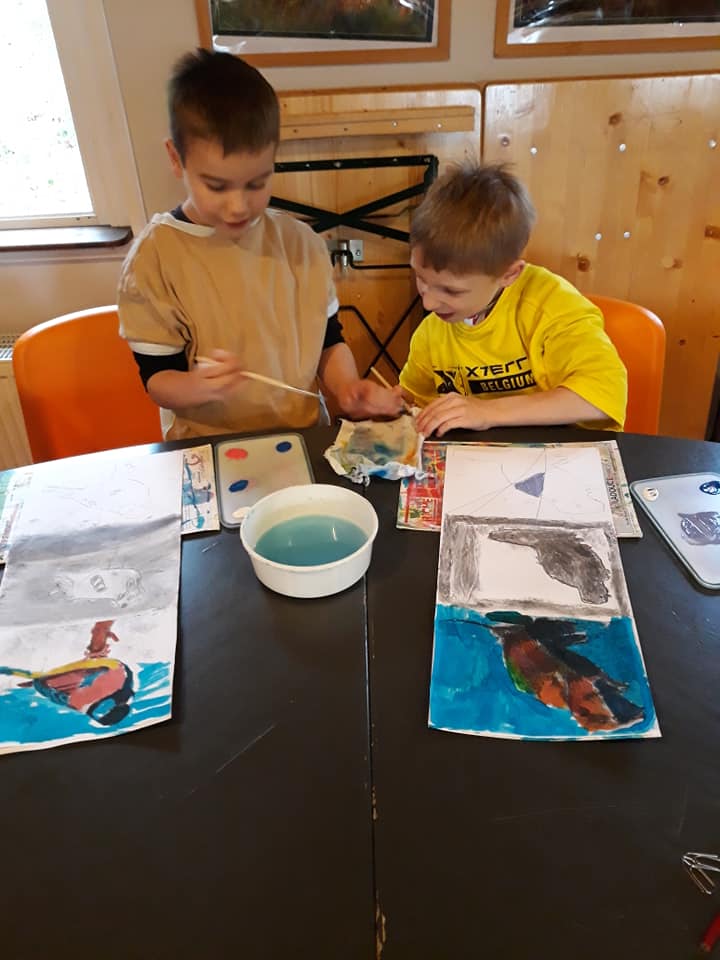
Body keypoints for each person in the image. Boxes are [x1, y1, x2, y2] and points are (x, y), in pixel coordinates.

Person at [118, 49, 402, 440]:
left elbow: (328, 343)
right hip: (209, 447)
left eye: (257, 183)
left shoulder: (301, 245)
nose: (238, 206)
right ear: (176, 158)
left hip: (302, 438)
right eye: (216, 186)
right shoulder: (155, 259)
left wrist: (347, 387)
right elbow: (156, 379)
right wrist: (199, 385)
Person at [399, 162, 627, 437]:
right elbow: (414, 401)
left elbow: (603, 393)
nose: (429, 304)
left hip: (565, 453)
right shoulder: (432, 333)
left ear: (509, 274)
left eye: (452, 291)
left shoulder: (549, 305)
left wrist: (486, 412)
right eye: (421, 279)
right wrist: (389, 402)